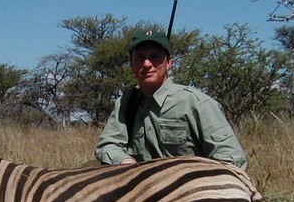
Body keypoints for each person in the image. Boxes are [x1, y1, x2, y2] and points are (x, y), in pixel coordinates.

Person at [95, 30, 248, 169]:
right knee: (92, 167)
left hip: (188, 190)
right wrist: (126, 162)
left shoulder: (197, 103)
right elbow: (108, 145)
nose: (147, 64)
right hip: (139, 187)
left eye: (155, 57)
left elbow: (232, 160)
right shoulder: (125, 102)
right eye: (140, 57)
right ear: (131, 63)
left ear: (169, 62)